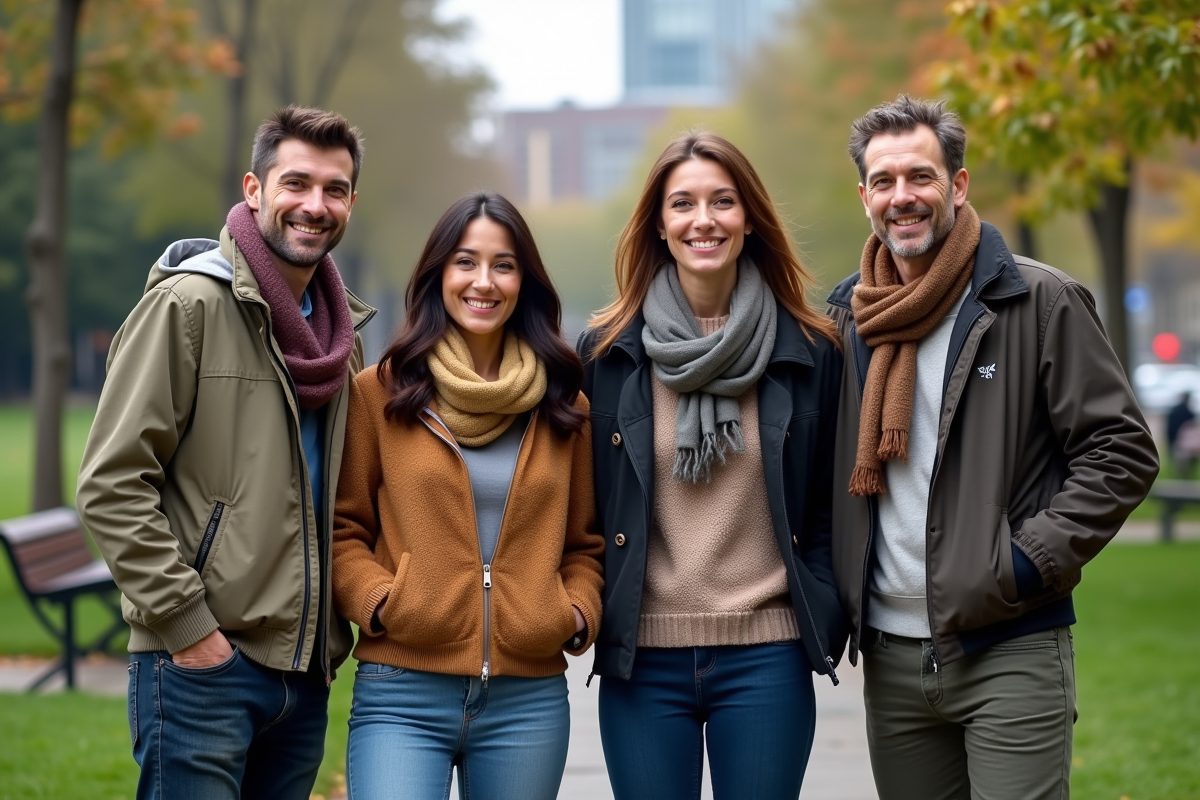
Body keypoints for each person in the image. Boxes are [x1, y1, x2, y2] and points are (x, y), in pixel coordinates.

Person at [827, 95, 1160, 800]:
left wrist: (1021, 564)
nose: (902, 197)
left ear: (958, 183)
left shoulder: (1037, 301)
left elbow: (1121, 450)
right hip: (890, 658)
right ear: (863, 196)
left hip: (1010, 641)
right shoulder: (847, 316)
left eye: (920, 176)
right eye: (883, 182)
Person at [76, 106, 374, 800]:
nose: (314, 205)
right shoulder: (188, 307)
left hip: (302, 677)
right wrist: (191, 632)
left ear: (351, 203)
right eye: (295, 182)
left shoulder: (341, 340)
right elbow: (112, 482)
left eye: (334, 190)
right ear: (254, 189)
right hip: (201, 669)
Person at [579, 131, 846, 800]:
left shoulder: (812, 350)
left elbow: (827, 505)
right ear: (659, 225)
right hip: (643, 663)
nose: (704, 219)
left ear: (749, 217)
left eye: (722, 201)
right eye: (684, 204)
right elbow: (585, 502)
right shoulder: (607, 353)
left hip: (768, 655)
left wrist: (826, 609)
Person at [330, 191, 604, 800]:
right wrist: (384, 603)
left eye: (503, 264)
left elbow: (584, 542)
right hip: (401, 689)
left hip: (526, 699)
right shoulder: (381, 395)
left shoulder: (565, 407)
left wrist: (573, 612)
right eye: (465, 261)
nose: (484, 281)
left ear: (524, 281)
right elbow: (343, 530)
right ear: (438, 275)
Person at [1167, 391, 1197, 475]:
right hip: (1187, 440)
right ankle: (1187, 474)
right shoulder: (1190, 412)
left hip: (1175, 438)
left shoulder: (1174, 411)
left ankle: (1181, 474)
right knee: (1188, 458)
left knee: (1179, 460)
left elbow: (1170, 426)